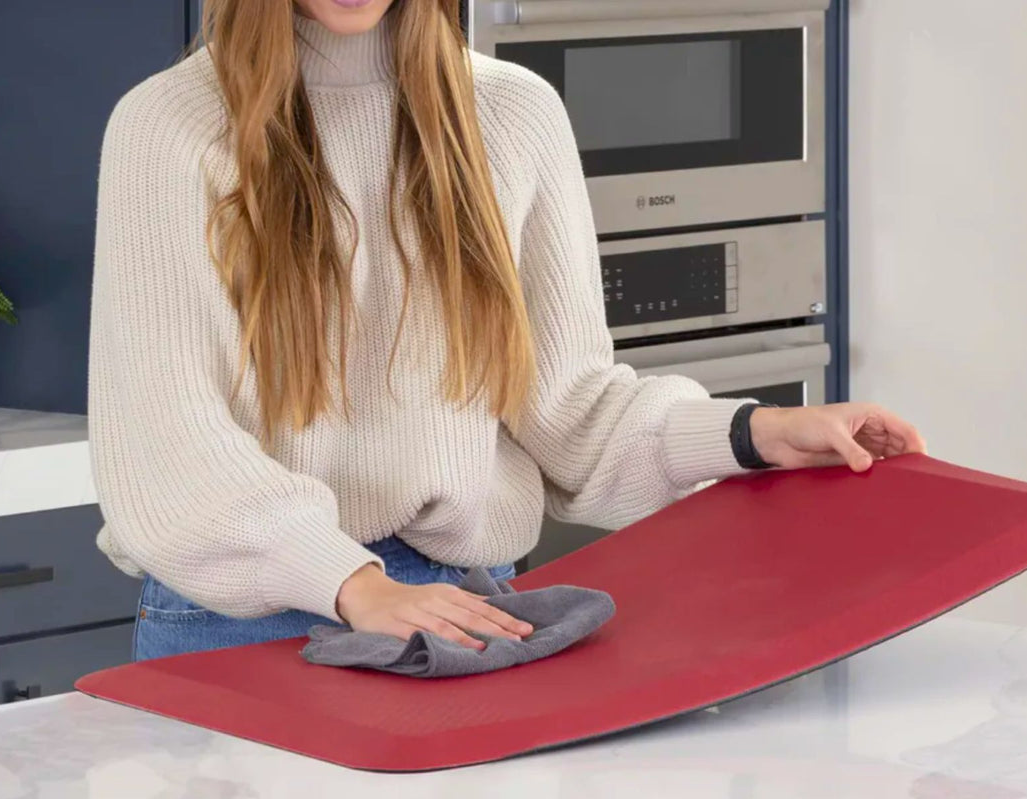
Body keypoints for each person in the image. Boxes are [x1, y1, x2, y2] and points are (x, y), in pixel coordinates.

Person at [88, 0, 926, 662]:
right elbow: (172, 441)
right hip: (242, 617)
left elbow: (568, 406)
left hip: (469, 605)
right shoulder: (169, 128)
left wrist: (759, 432)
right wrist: (351, 584)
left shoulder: (511, 112)